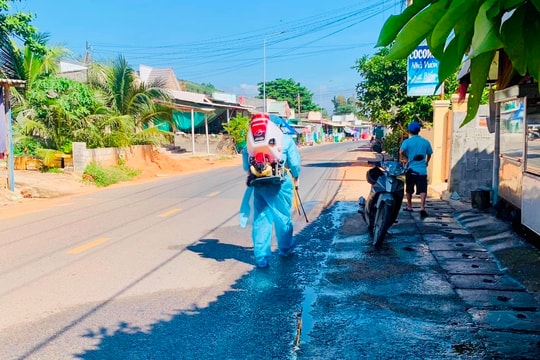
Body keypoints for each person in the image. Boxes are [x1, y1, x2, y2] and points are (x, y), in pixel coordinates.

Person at [239, 113, 302, 268]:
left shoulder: (250, 143)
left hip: (259, 183)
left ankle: (261, 258)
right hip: (281, 184)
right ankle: (285, 249)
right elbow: (294, 164)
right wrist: (296, 177)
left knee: (261, 219)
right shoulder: (285, 139)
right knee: (283, 217)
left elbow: (247, 167)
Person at [399, 121, 433, 217]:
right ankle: (422, 207)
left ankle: (409, 206)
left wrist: (406, 159)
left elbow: (401, 151)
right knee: (423, 189)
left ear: (409, 131)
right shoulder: (425, 142)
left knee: (409, 188)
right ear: (419, 130)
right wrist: (427, 162)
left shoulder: (407, 142)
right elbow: (429, 153)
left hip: (411, 169)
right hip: (422, 170)